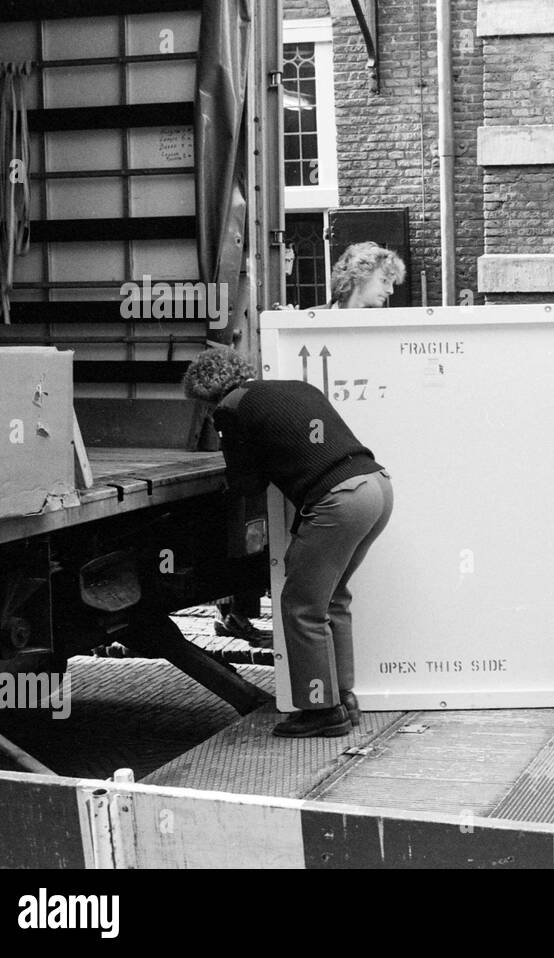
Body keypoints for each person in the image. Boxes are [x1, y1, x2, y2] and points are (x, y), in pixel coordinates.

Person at [183, 347, 394, 738]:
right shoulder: (294, 386)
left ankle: (321, 711)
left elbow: (247, 484)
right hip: (376, 487)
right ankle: (343, 698)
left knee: (300, 607)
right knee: (332, 600)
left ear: (206, 391)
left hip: (340, 500)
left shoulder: (231, 407)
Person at [326, 241, 406, 309]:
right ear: (358, 275)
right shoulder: (314, 321)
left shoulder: (385, 324)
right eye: (384, 280)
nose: (391, 291)